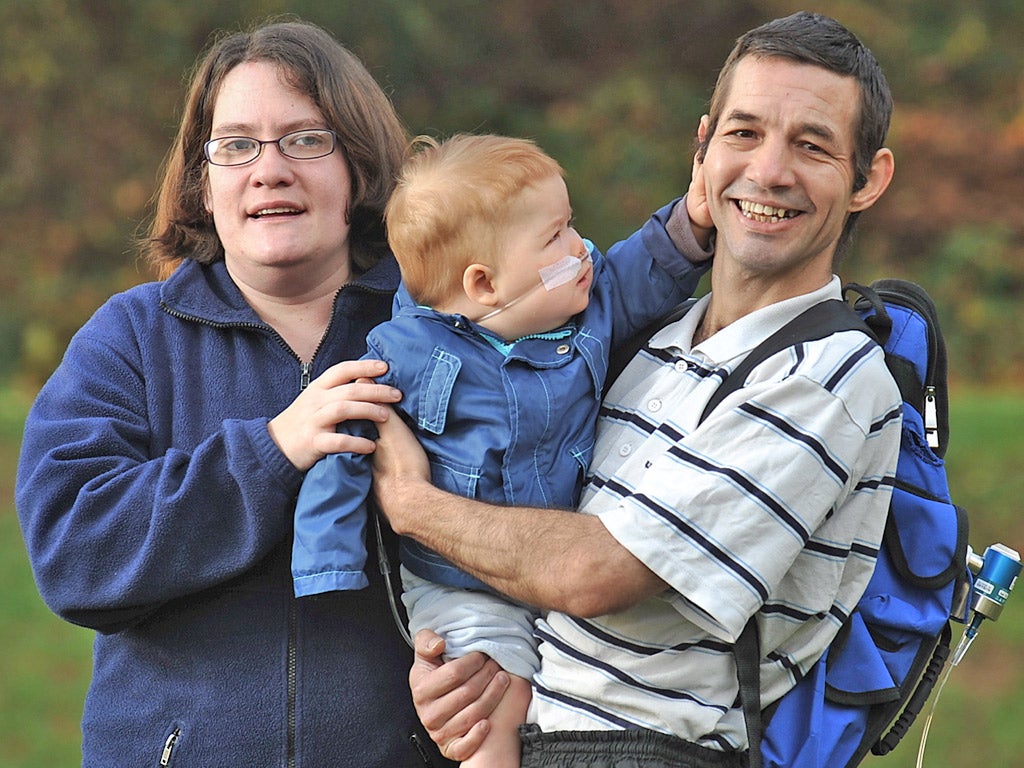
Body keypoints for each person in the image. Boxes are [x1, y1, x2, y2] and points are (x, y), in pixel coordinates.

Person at [371, 11, 903, 767]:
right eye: (744, 134)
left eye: (812, 145)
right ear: (703, 148)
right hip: (542, 733)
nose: (770, 171)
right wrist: (469, 660)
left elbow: (594, 572)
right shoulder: (653, 341)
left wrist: (412, 505)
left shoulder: (828, 373)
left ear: (867, 180)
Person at [15, 19, 458, 767]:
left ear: (358, 166)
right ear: (203, 182)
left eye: (306, 139)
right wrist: (273, 451)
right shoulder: (130, 340)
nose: (270, 169)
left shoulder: (446, 330)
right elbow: (75, 553)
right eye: (237, 145)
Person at [291, 132, 714, 767]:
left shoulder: (584, 308)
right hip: (461, 582)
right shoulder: (403, 354)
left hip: (553, 559)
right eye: (555, 239)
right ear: (484, 284)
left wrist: (692, 223)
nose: (581, 249)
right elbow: (348, 444)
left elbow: (640, 270)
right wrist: (327, 559)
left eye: (571, 225)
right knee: (494, 711)